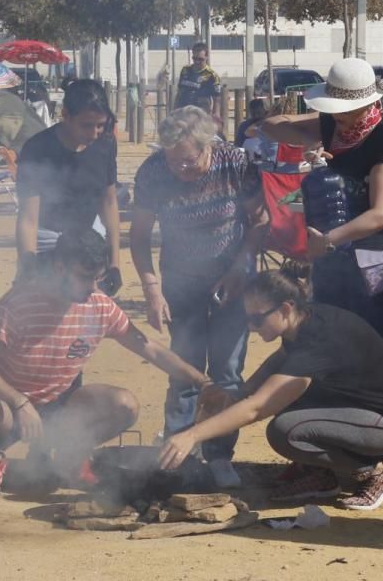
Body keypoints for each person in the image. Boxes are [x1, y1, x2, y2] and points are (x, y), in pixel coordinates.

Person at [0, 229, 216, 499]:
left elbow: (152, 350)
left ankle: (71, 457)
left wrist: (202, 382)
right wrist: (20, 403)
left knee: (124, 404)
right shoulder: (19, 302)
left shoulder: (100, 305)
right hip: (11, 412)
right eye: (84, 277)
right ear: (59, 267)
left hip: (62, 413)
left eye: (98, 278)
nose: (92, 287)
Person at [158, 264, 383, 511]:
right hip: (359, 408)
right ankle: (321, 476)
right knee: (290, 402)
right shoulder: (303, 321)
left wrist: (191, 435)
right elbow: (281, 359)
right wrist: (243, 390)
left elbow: (256, 409)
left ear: (285, 309)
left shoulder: (318, 341)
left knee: (287, 431)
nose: (251, 327)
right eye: (246, 320)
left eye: (257, 319)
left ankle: (376, 471)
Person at [130, 106, 269, 488]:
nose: (181, 169)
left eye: (189, 160)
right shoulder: (153, 172)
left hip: (234, 278)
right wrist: (151, 288)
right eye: (174, 161)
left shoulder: (236, 163)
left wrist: (240, 267)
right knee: (184, 369)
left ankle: (219, 455)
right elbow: (139, 236)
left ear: (207, 146)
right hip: (180, 280)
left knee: (226, 370)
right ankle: (178, 450)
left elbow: (259, 222)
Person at [255, 58, 383, 344]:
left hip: (376, 255)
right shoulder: (330, 125)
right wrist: (310, 135)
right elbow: (272, 126)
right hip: (333, 256)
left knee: (371, 337)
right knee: (329, 335)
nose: (336, 114)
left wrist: (328, 239)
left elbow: (382, 215)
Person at [15, 79, 121, 293]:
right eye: (87, 125)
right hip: (46, 240)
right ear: (66, 115)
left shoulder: (105, 145)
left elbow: (109, 204)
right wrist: (28, 263)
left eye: (100, 125)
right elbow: (28, 217)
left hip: (89, 240)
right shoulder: (37, 149)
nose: (94, 133)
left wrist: (115, 263)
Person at [173, 42, 222, 117]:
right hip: (183, 112)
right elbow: (179, 91)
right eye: (194, 58)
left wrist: (216, 114)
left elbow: (217, 98)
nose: (197, 62)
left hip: (200, 115)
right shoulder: (185, 70)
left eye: (200, 59)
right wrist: (174, 109)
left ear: (206, 57)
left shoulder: (211, 75)